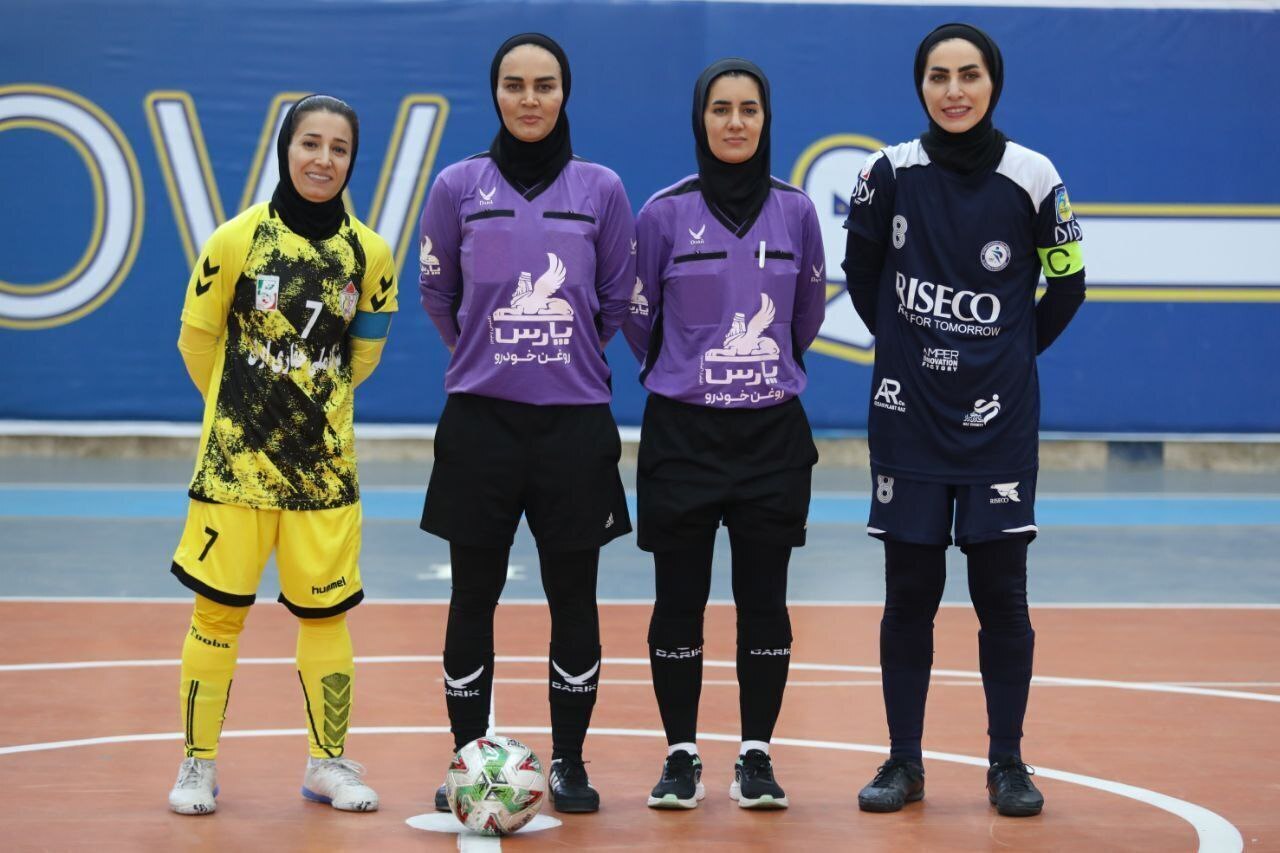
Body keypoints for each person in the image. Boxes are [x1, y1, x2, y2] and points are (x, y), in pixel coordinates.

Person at [842, 23, 1086, 818]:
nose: (954, 90)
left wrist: (1009, 354)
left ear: (993, 83)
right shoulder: (887, 172)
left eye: (969, 74)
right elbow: (861, 271)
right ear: (920, 85)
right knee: (908, 592)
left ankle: (1007, 762)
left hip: (999, 424)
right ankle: (903, 761)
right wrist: (908, 352)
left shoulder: (1035, 176)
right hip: (907, 416)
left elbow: (1070, 283)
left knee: (1001, 595)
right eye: (939, 75)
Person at [417, 32, 635, 815]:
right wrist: (492, 359)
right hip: (480, 424)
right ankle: (465, 759)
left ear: (564, 93)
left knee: (573, 596)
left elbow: (615, 301)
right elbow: (439, 297)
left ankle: (569, 761)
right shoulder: (457, 185)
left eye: (545, 85)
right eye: (515, 85)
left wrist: (554, 362)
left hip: (573, 427)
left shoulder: (602, 188)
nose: (530, 99)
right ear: (496, 94)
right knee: (471, 596)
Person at [165, 94, 397, 815]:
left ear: (352, 160)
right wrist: (240, 412)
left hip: (323, 476)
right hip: (232, 473)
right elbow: (197, 340)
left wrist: (305, 416)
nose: (323, 159)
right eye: (310, 144)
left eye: (338, 148)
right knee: (216, 616)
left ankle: (328, 764)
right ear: (285, 149)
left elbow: (363, 355)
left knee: (326, 618)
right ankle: (197, 765)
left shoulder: (371, 254)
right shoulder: (234, 241)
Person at [623, 58, 825, 812]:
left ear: (766, 119)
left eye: (749, 109)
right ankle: (680, 754)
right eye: (720, 109)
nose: (735, 122)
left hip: (772, 436)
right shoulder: (663, 214)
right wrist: (690, 373)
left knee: (764, 600)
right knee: (678, 599)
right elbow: (639, 318)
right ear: (699, 119)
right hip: (683, 435)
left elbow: (806, 317)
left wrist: (757, 373)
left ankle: (756, 754)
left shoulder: (797, 212)